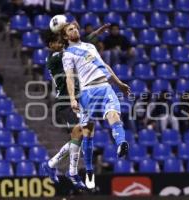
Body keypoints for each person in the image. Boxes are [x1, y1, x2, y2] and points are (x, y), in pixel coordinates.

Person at [61, 22, 130, 190]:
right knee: (88, 132)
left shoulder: (90, 46)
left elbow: (104, 65)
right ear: (65, 36)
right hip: (87, 92)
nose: (75, 30)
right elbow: (69, 78)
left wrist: (119, 83)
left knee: (114, 115)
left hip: (105, 87)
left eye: (76, 27)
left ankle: (121, 143)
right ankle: (90, 170)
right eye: (70, 29)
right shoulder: (67, 55)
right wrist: (72, 99)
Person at [42, 23, 110, 191]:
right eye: (56, 43)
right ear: (50, 46)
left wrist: (95, 33)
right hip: (65, 101)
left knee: (79, 135)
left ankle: (53, 165)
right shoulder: (53, 58)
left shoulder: (66, 53)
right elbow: (76, 47)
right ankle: (69, 172)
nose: (59, 44)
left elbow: (81, 44)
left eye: (59, 42)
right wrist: (68, 33)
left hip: (77, 100)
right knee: (79, 131)